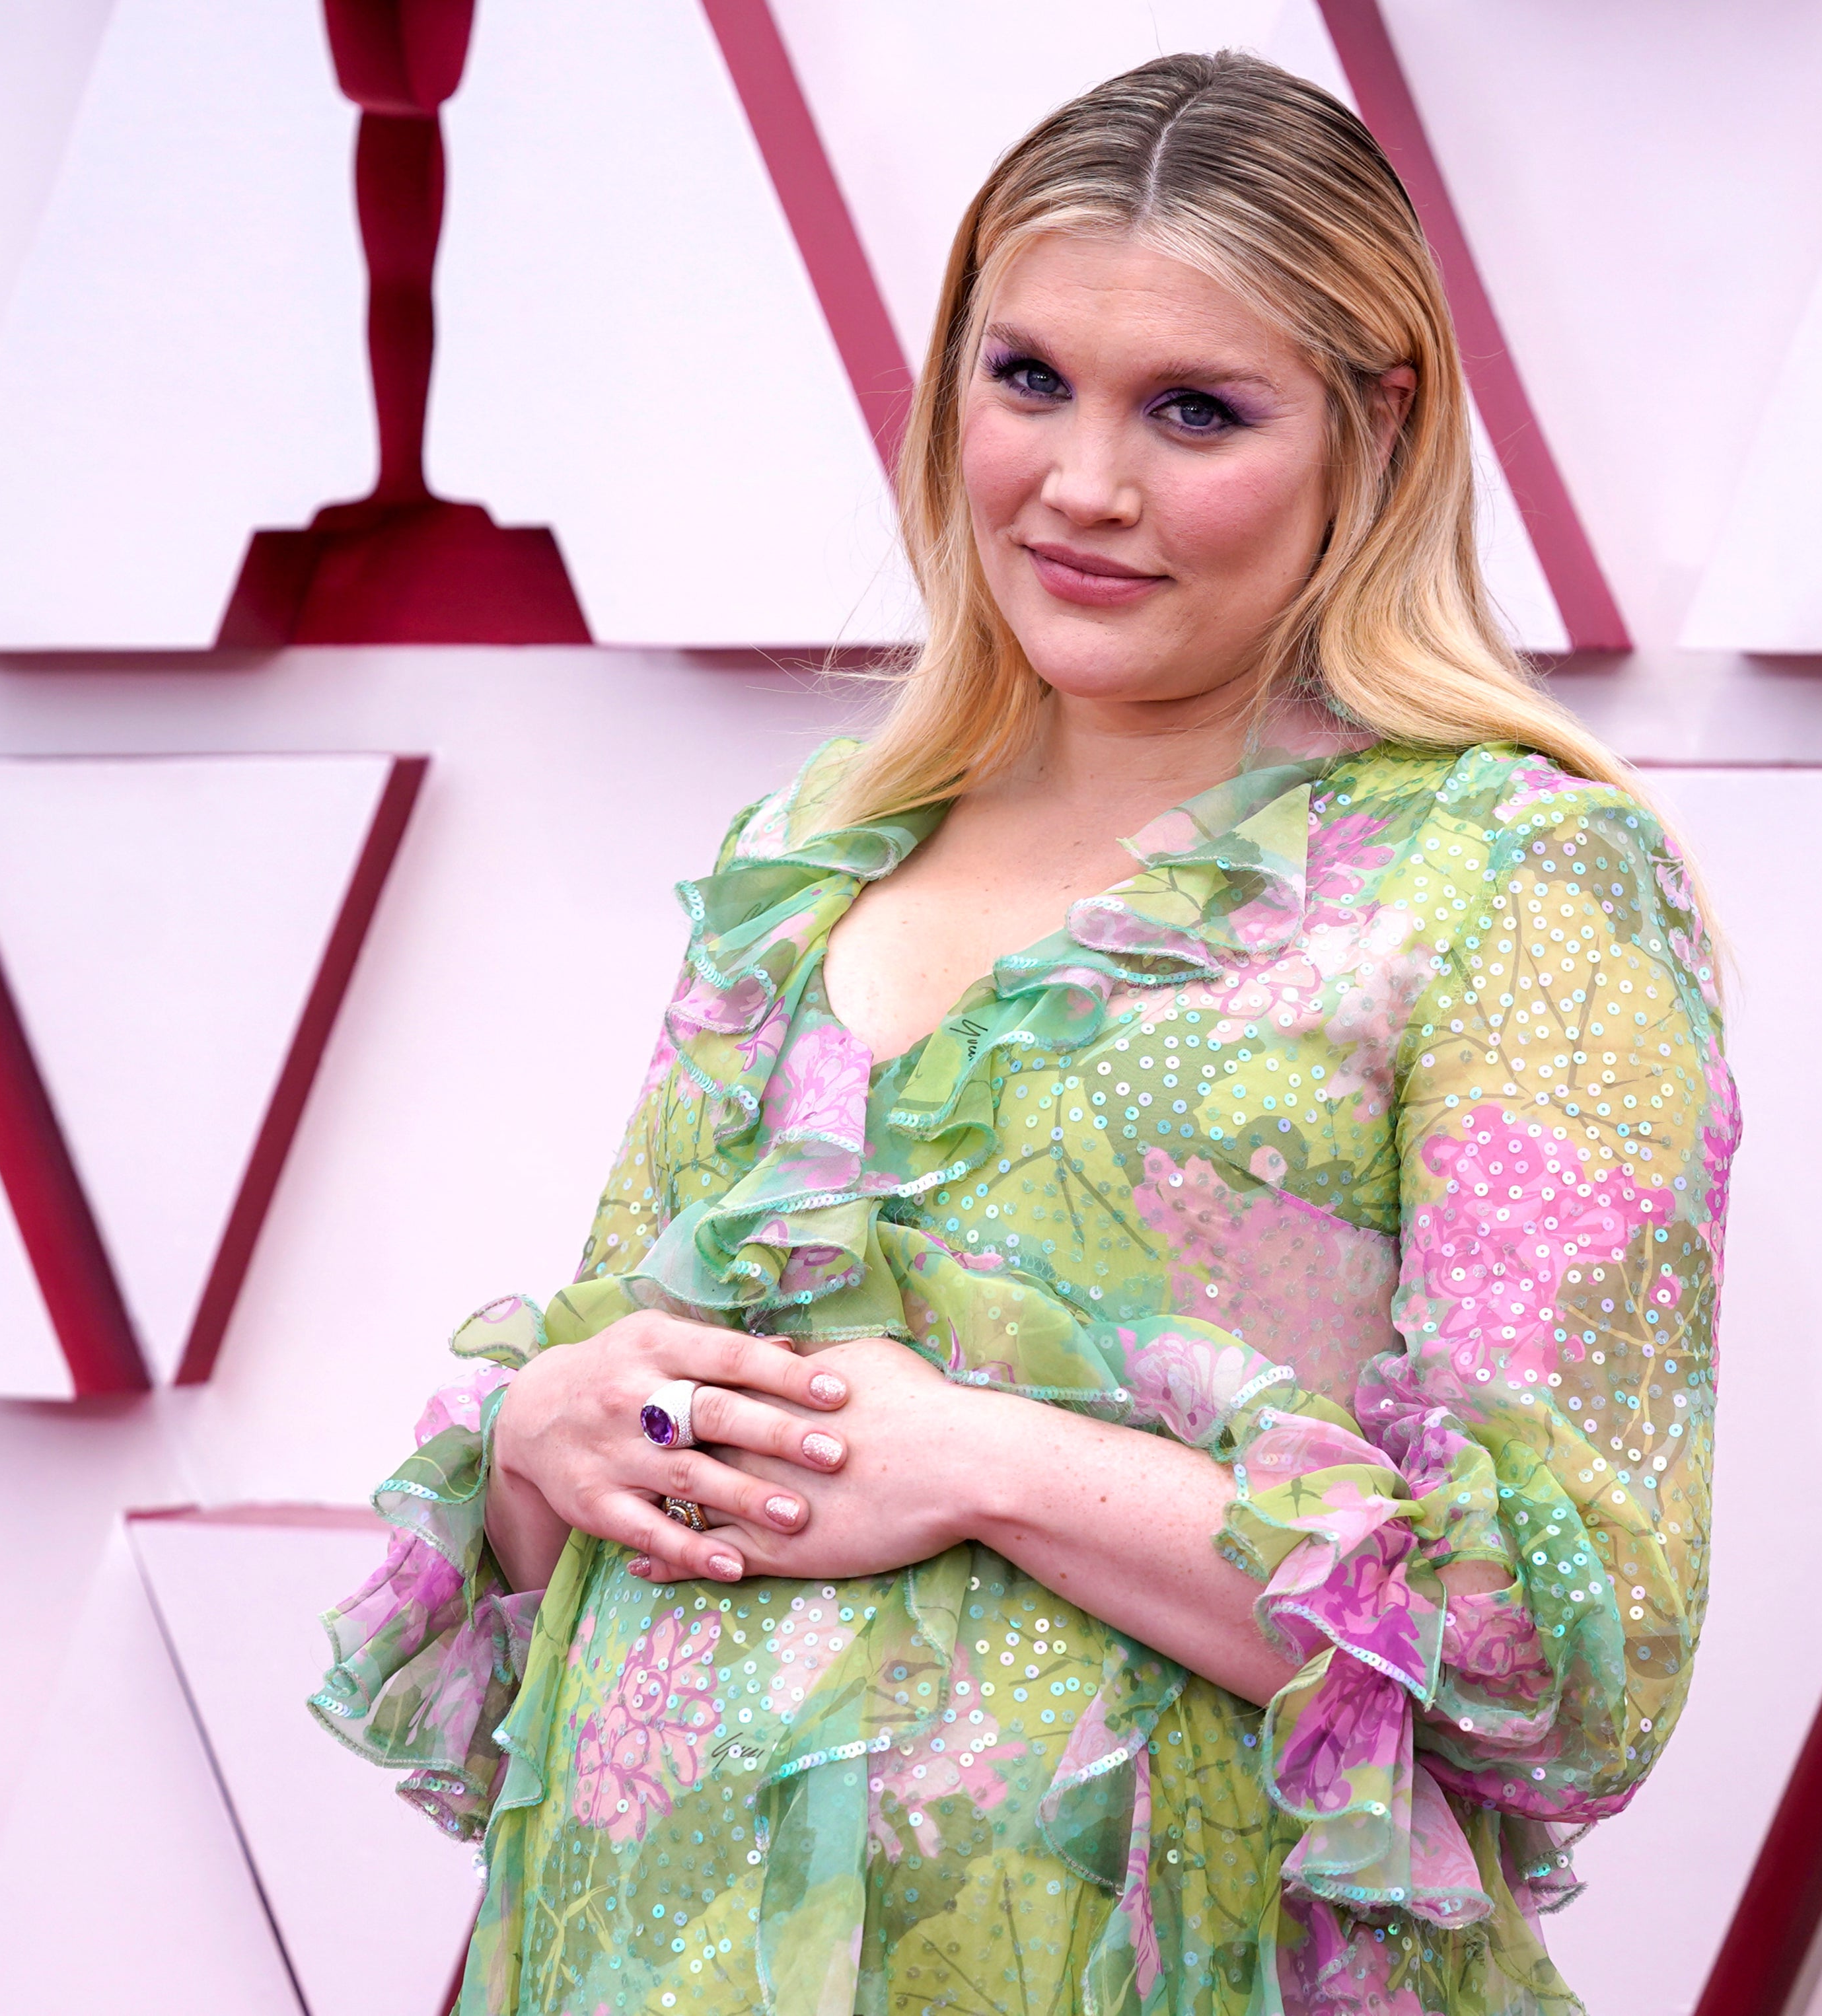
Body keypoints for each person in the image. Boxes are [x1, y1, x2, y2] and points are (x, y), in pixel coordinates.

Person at [310, 51, 1735, 2016]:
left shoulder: (1509, 881)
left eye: (1194, 412)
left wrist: (987, 1463)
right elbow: (628, 1453)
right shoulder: (807, 856)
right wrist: (544, 1442)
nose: (1083, 484)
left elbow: (1559, 1655)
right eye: (1028, 378)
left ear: (1375, 427)